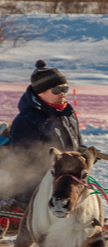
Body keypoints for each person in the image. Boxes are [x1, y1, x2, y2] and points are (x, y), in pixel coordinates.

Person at [1, 60, 83, 207]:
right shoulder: (27, 120)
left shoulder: (68, 114)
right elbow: (26, 159)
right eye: (57, 90)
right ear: (41, 92)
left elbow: (77, 145)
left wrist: (85, 156)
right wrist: (62, 164)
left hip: (67, 175)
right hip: (37, 182)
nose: (63, 94)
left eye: (65, 89)